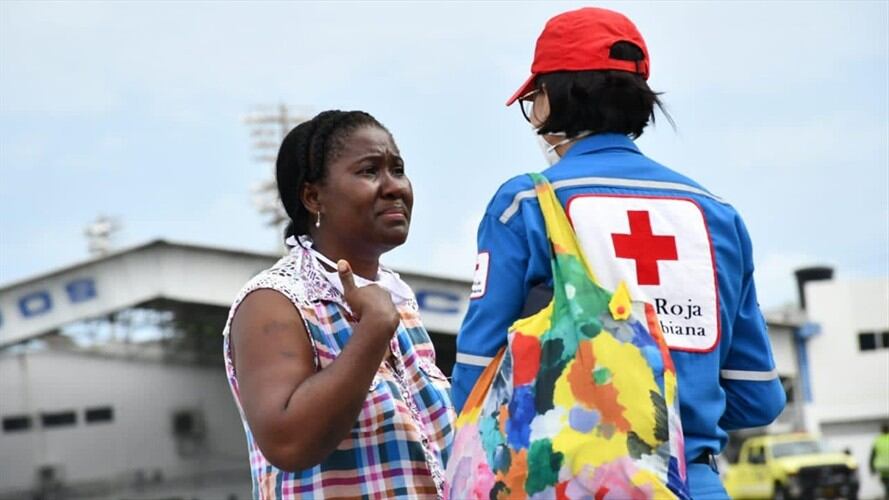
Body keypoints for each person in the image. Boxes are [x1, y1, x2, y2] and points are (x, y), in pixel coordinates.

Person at [450, 7, 786, 499]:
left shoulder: (526, 205)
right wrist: (681, 403)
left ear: (552, 98)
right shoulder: (718, 215)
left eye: (533, 100)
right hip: (698, 483)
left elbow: (477, 376)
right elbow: (757, 396)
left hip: (573, 484)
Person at [222, 110, 454, 499]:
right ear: (313, 197)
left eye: (398, 169)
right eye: (369, 171)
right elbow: (288, 443)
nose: (394, 186)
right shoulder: (274, 301)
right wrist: (373, 330)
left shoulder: (399, 301)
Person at [871, 423, 889, 498]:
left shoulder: (878, 440)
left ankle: (887, 494)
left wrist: (871, 467)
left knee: (885, 482)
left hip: (882, 467)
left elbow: (873, 455)